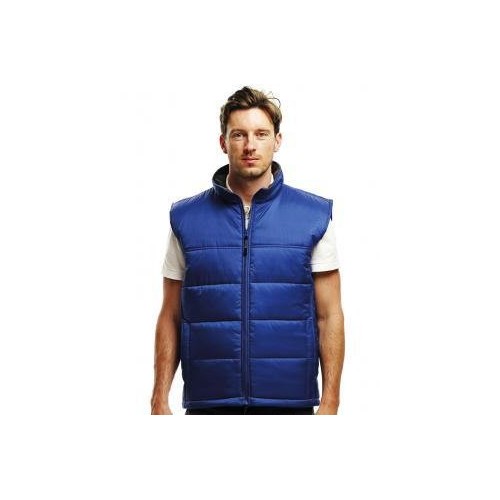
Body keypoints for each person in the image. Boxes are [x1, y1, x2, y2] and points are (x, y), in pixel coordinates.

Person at [151, 87, 345, 415]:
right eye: (239, 134)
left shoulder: (313, 216)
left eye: (261, 134)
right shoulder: (186, 218)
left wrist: (330, 403)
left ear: (277, 140)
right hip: (209, 404)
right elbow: (171, 314)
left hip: (289, 404)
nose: (250, 145)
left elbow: (330, 316)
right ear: (223, 142)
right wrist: (159, 398)